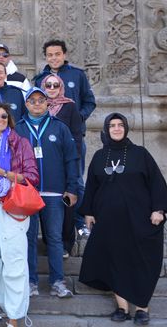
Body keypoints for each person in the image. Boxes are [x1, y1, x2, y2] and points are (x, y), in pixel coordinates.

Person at [78, 113, 167, 325]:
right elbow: (92, 187)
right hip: (110, 222)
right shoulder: (100, 156)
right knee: (114, 261)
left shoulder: (140, 154)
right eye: (112, 125)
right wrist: (89, 212)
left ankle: (142, 307)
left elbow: (157, 183)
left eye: (121, 125)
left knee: (141, 261)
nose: (117, 128)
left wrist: (159, 209)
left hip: (140, 221)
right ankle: (122, 307)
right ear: (106, 129)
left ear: (126, 128)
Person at [0, 103, 40, 327]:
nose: (0, 119)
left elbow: (32, 176)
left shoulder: (20, 143)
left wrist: (2, 173)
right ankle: (12, 306)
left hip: (13, 204)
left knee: (14, 261)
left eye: (4, 116)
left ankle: (15, 317)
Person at [15, 88, 79, 298]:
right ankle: (31, 282)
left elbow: (71, 159)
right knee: (29, 238)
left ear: (47, 104)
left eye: (41, 100)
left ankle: (57, 282)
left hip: (54, 193)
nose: (37, 104)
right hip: (28, 193)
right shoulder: (18, 128)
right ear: (26, 104)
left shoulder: (59, 128)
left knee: (54, 238)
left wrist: (72, 187)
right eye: (32, 101)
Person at [33, 39, 96, 237]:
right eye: (50, 55)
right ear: (46, 57)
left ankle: (79, 222)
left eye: (57, 54)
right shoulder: (39, 79)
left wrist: (78, 118)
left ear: (64, 55)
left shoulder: (77, 75)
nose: (54, 58)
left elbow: (89, 101)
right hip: (45, 141)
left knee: (75, 179)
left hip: (74, 139)